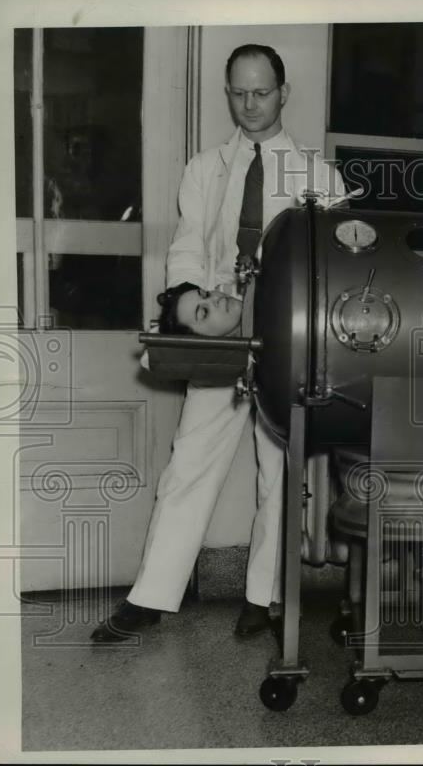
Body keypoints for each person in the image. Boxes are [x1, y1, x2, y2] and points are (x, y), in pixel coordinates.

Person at [92, 43, 344, 642]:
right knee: (188, 465)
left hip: (288, 343)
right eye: (238, 92)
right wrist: (189, 303)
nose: (250, 105)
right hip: (221, 342)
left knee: (279, 471)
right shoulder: (205, 168)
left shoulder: (320, 177)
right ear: (227, 92)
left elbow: (332, 266)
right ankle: (151, 596)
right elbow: (186, 246)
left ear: (284, 93)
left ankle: (264, 597)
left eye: (261, 92)